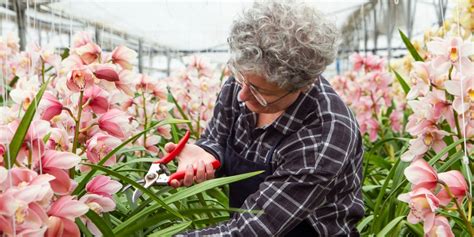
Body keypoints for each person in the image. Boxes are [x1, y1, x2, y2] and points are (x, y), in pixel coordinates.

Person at [166, 1, 365, 236]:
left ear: (303, 85)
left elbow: (255, 229)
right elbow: (216, 139)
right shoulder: (246, 81)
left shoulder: (325, 134)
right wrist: (206, 153)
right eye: (241, 79)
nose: (241, 95)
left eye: (262, 93)